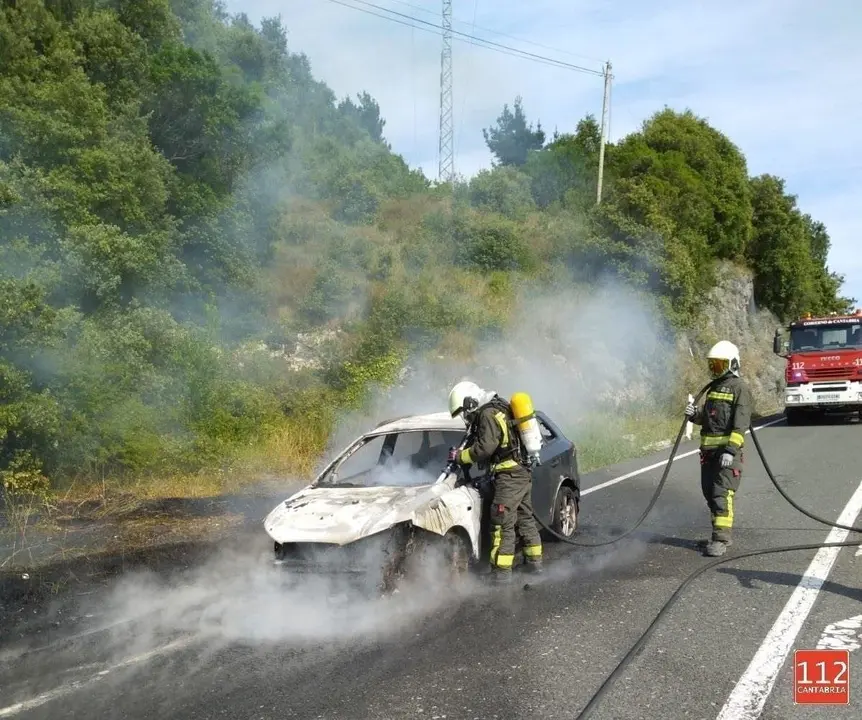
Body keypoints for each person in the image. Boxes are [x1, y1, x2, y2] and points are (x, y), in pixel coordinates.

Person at [446, 380, 543, 582]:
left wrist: (459, 457)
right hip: (520, 471)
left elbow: (485, 449)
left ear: (471, 402)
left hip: (508, 477)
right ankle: (534, 563)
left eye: (465, 411)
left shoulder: (487, 415)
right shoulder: (499, 407)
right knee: (525, 518)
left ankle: (501, 573)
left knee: (501, 524)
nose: (466, 416)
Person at [684, 340, 752, 557]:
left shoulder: (739, 388)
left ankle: (721, 538)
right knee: (709, 492)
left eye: (719, 365)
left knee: (721, 493)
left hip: (727, 453)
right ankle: (718, 532)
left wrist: (731, 450)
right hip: (708, 453)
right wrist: (694, 414)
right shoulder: (713, 388)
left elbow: (741, 423)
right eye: (712, 365)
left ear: (732, 364)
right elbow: (708, 418)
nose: (715, 369)